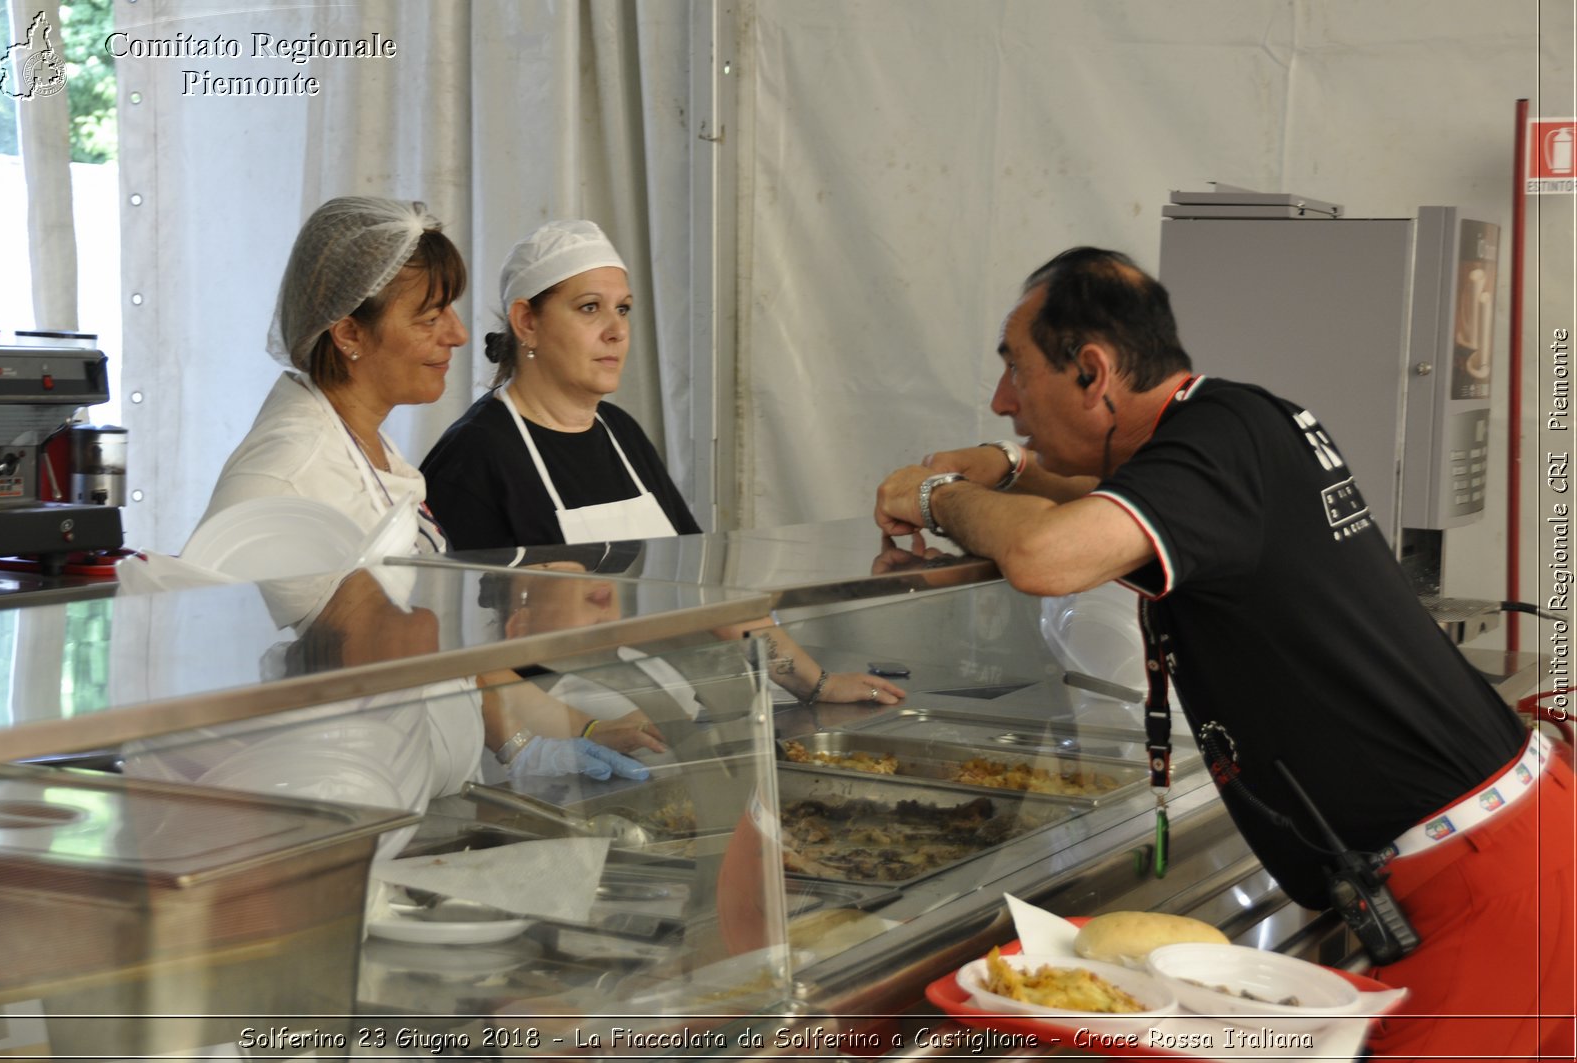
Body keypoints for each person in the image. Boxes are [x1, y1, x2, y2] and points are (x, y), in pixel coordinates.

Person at [873, 247, 1573, 1061]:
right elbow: (1108, 497)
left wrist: (932, 496)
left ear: (1093, 370)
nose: (1001, 401)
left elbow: (1047, 558)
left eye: (1016, 372)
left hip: (1482, 883)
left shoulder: (1222, 439)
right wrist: (1014, 466)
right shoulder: (1236, 422)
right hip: (1506, 850)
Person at [191, 195, 648, 783]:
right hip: (334, 798)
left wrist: (544, 736)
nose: (458, 335)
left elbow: (426, 647)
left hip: (407, 790)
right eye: (430, 318)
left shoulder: (371, 451)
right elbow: (217, 675)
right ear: (350, 332)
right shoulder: (287, 471)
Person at [424, 219, 903, 709]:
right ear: (526, 321)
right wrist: (555, 739)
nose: (616, 332)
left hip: (669, 710)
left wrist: (815, 685)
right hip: (563, 733)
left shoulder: (619, 433)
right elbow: (464, 649)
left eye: (624, 310)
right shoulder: (473, 457)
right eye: (590, 308)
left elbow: (706, 591)